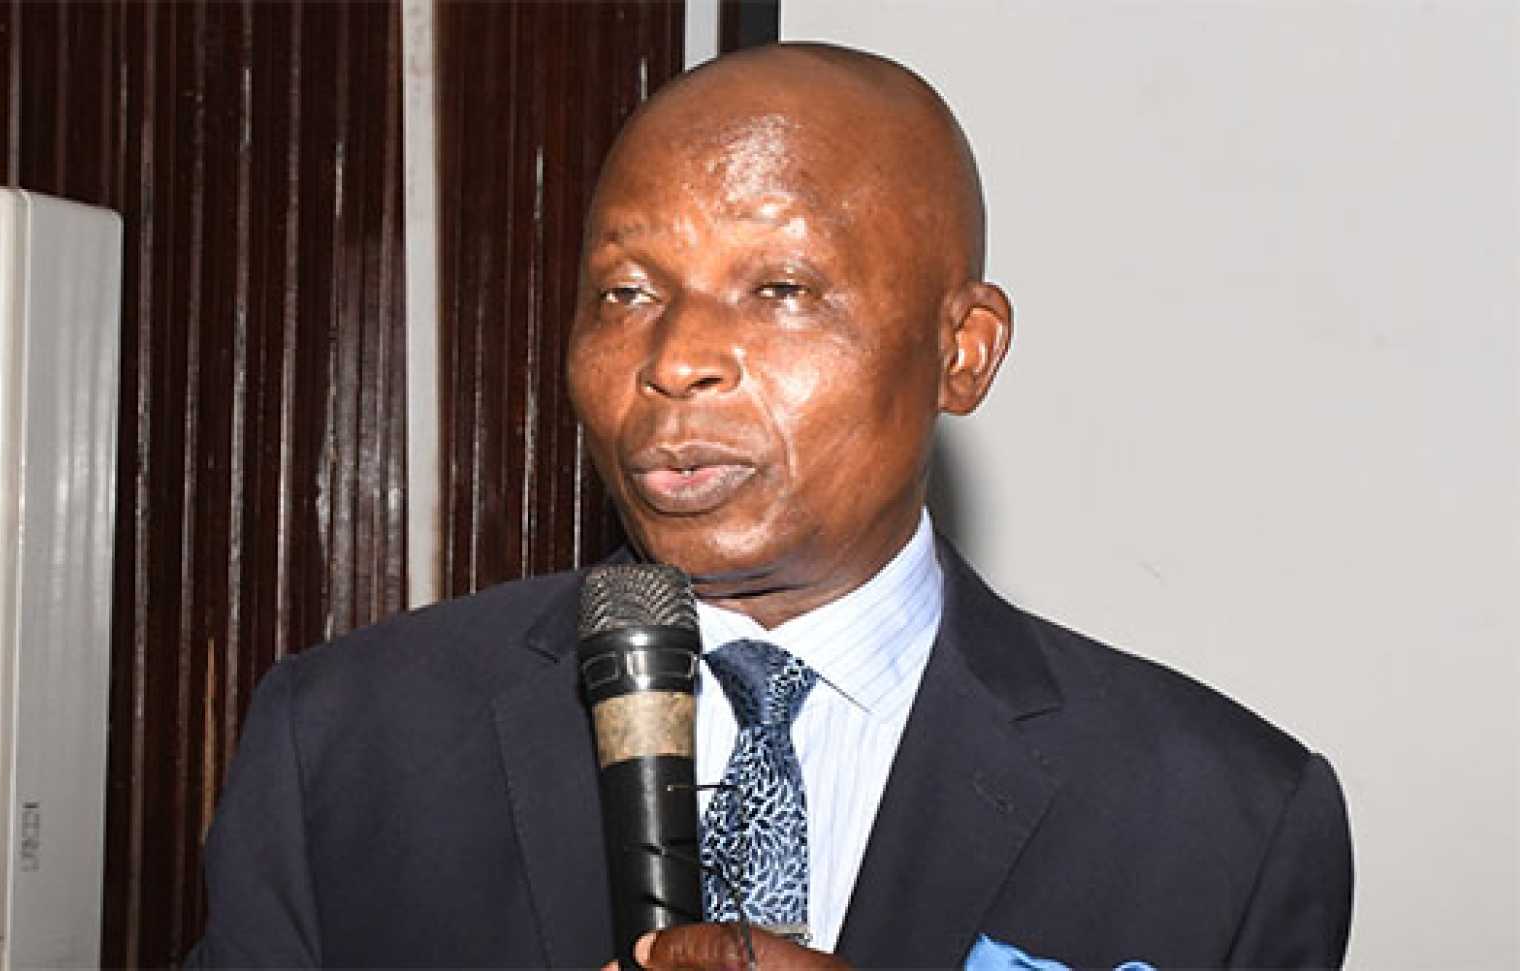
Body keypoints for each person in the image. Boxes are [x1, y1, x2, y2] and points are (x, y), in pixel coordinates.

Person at [188, 43, 1353, 969]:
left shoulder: (1223, 817)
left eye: (781, 288)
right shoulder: (344, 743)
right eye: (624, 291)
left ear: (963, 349)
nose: (675, 358)